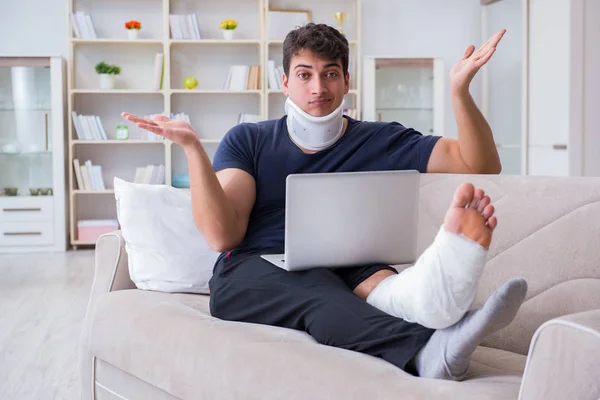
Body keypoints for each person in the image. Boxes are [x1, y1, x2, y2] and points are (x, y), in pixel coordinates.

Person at [122, 23, 527, 381]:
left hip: (348, 264)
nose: (319, 87)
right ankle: (426, 350)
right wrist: (193, 150)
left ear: (346, 80)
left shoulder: (379, 139)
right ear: (284, 82)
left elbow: (480, 164)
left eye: (330, 74)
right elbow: (222, 235)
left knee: (384, 285)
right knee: (319, 289)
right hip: (251, 270)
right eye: (305, 74)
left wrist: (459, 92)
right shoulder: (250, 140)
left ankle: (438, 301)